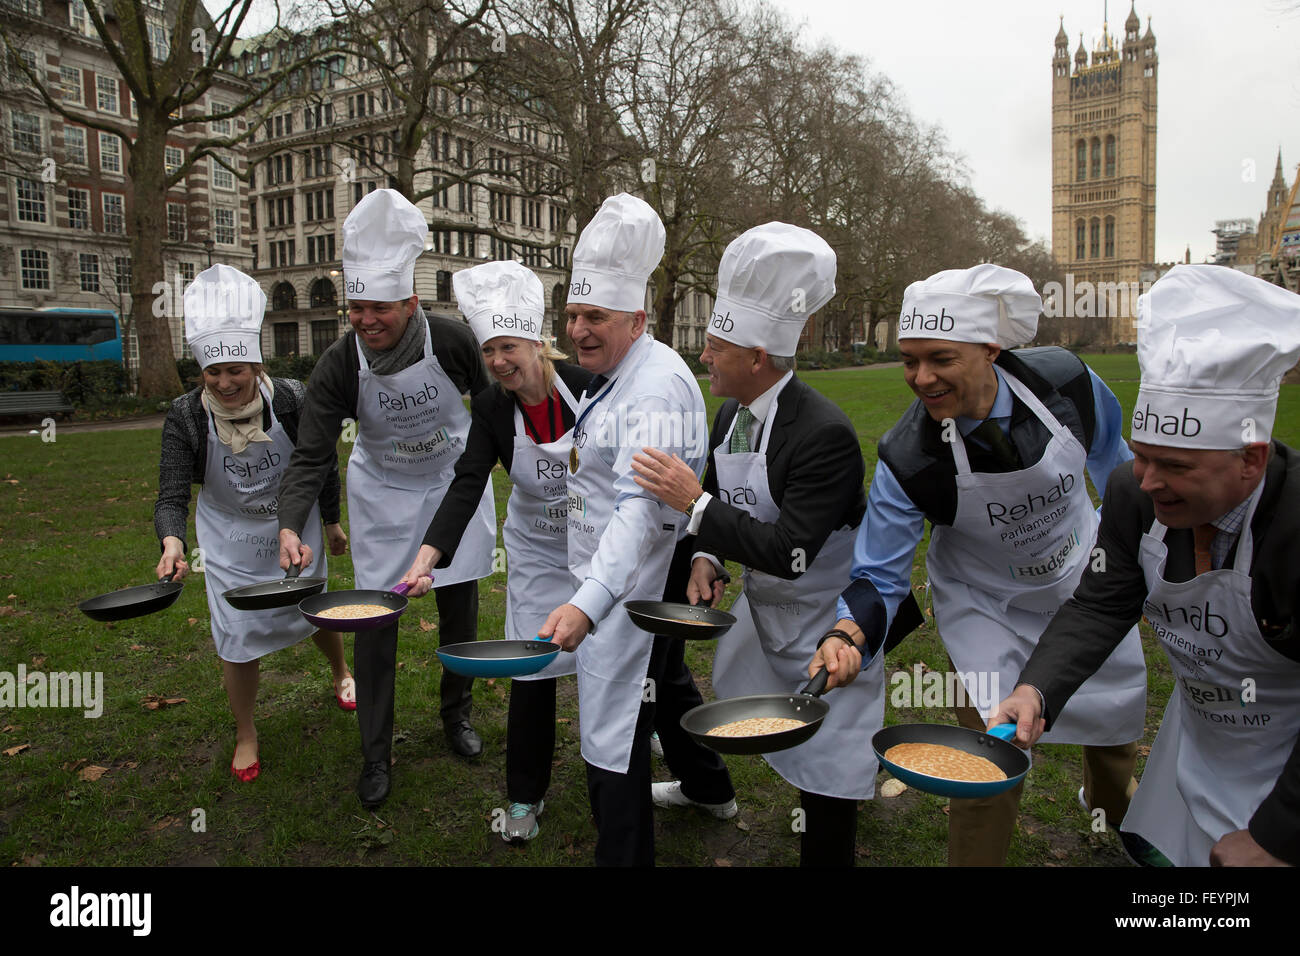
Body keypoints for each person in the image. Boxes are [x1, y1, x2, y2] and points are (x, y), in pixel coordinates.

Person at [815, 264, 1146, 866]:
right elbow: (880, 576)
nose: (921, 378)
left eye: (940, 358)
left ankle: (1119, 818)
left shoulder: (1067, 385)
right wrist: (848, 630)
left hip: (1083, 583)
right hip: (987, 609)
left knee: (1115, 735)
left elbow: (1115, 468)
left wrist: (1137, 557)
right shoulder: (907, 458)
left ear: (990, 348)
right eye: (910, 360)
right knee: (984, 759)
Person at [992, 264, 1300, 867]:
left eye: (1177, 466)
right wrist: (1036, 689)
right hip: (1203, 734)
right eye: (1144, 457)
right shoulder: (1133, 494)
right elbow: (1101, 602)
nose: (1149, 480)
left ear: (1251, 460)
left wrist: (1277, 836)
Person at [631, 222, 879, 866]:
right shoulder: (731, 412)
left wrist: (695, 505)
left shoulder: (823, 433)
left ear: (758, 357)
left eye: (715, 347)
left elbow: (791, 552)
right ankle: (709, 786)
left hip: (832, 617)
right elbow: (725, 490)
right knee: (759, 719)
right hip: (768, 609)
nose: (705, 357)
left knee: (828, 760)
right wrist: (709, 556)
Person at [277, 189, 496, 809]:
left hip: (452, 491)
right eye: (356, 307)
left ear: (411, 302)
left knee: (460, 612)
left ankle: (457, 717)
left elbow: (497, 412)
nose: (366, 321)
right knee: (373, 624)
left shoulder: (453, 343)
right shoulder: (338, 364)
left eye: (379, 308)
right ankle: (376, 751)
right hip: (382, 495)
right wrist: (293, 523)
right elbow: (312, 453)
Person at [538, 193, 735, 866]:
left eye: (595, 316)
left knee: (613, 730)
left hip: (634, 582)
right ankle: (711, 788)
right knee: (662, 682)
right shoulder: (617, 371)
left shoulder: (652, 392)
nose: (579, 329)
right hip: (616, 575)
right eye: (570, 315)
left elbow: (640, 513)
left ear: (637, 319)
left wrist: (587, 602)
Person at [398, 260, 591, 843]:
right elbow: (467, 481)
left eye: (509, 348)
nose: (499, 362)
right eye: (489, 352)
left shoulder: (590, 389)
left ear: (538, 343)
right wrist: (428, 557)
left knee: (625, 663)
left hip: (596, 543)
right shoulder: (491, 408)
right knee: (531, 670)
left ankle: (650, 736)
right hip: (535, 550)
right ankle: (525, 798)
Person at [154, 264, 352, 782]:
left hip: (295, 522)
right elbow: (171, 492)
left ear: (256, 365)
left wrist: (330, 522)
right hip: (228, 536)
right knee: (235, 632)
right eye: (213, 373)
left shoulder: (288, 399)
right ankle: (246, 731)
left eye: (235, 371)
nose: (224, 383)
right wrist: (172, 542)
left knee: (313, 609)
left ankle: (341, 671)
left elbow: (321, 461)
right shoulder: (186, 416)